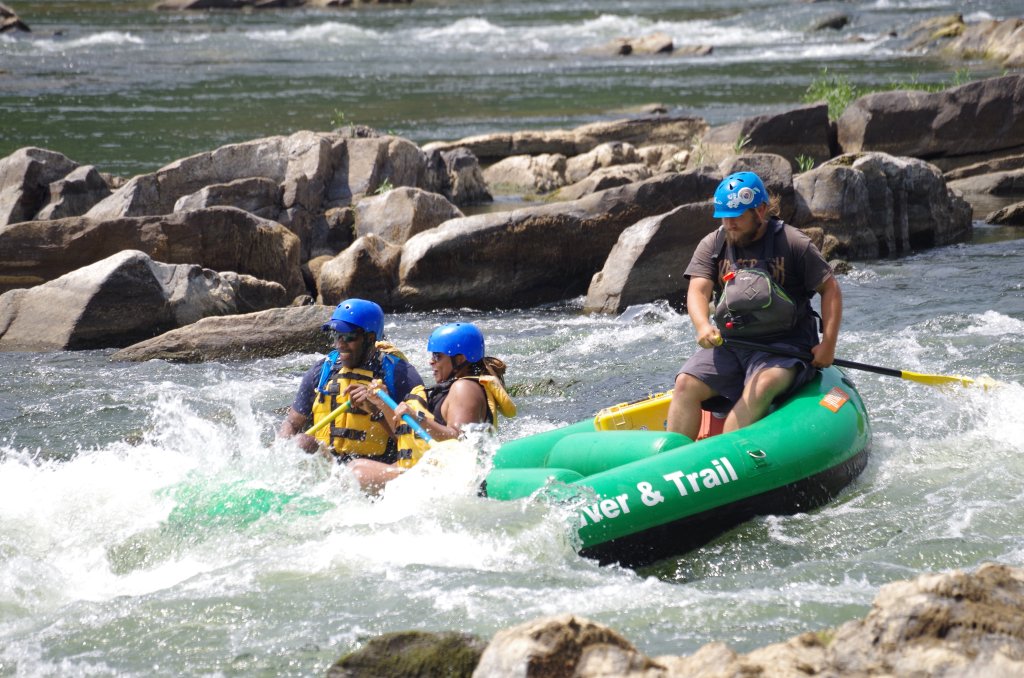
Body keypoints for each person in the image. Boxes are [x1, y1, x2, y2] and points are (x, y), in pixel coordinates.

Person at [666, 171, 842, 440]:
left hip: (786, 348)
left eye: (736, 216)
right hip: (732, 345)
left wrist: (828, 344)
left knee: (762, 385)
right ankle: (675, 464)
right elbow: (698, 290)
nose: (729, 223)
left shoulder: (794, 243)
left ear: (760, 210)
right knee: (685, 384)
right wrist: (702, 325)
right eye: (724, 216)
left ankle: (725, 457)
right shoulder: (713, 244)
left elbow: (830, 290)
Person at [277, 298, 432, 492]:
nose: (340, 344)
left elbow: (417, 441)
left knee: (357, 472)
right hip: (330, 468)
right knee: (302, 442)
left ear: (370, 338)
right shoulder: (323, 371)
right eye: (336, 335)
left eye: (348, 336)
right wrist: (280, 452)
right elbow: (292, 422)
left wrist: (377, 409)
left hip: (377, 471)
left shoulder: (401, 376)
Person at [394, 322, 516, 440]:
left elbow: (459, 439)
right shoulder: (455, 387)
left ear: (459, 359)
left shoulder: (464, 388)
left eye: (437, 356)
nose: (431, 361)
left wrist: (418, 418)